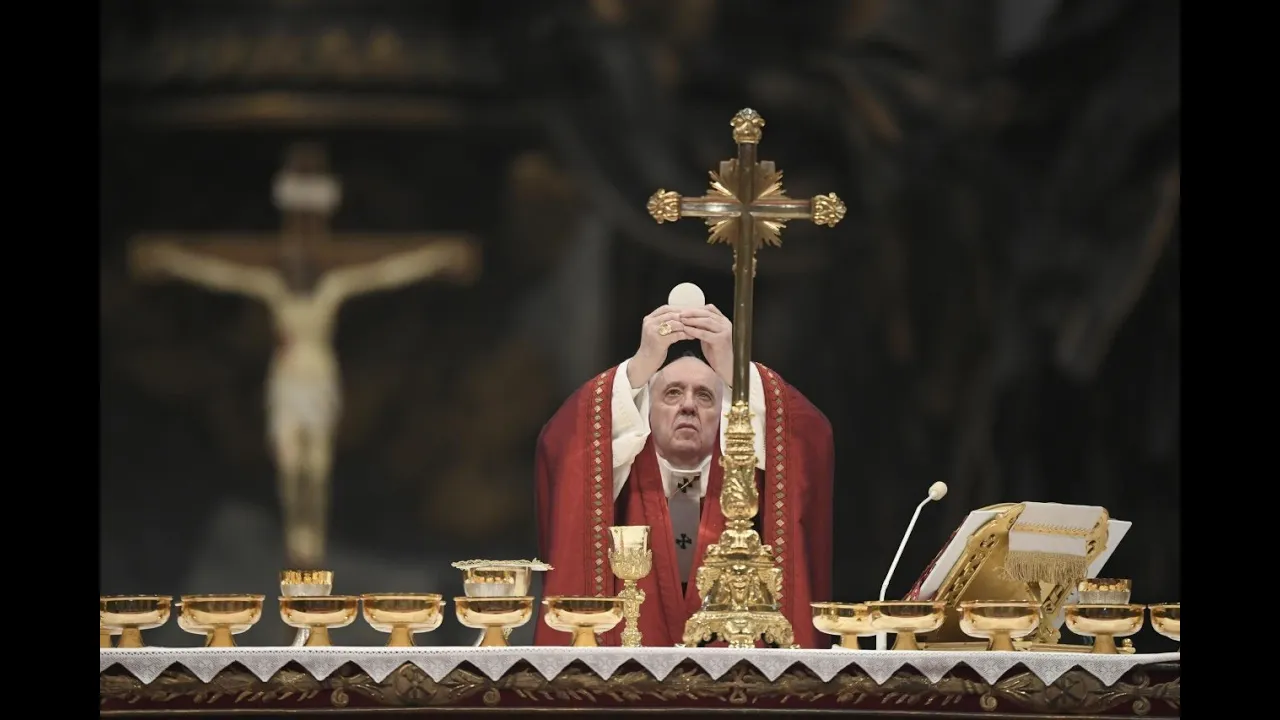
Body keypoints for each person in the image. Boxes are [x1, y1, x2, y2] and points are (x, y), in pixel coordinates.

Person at [533, 301, 834, 648]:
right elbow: (563, 442)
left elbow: (810, 438)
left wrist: (736, 369)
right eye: (672, 393)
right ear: (644, 410)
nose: (688, 405)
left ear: (727, 416)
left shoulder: (751, 480)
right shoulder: (617, 468)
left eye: (704, 396)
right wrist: (638, 367)